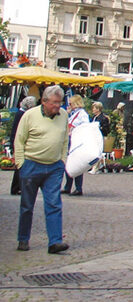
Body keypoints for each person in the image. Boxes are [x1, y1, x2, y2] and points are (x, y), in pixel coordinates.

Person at [15, 85, 70, 253]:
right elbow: (19, 140)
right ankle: (23, 239)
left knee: (54, 204)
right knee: (27, 205)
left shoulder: (63, 115)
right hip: (31, 164)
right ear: (44, 102)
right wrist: (20, 164)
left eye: (59, 103)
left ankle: (55, 241)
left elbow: (65, 139)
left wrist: (62, 160)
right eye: (54, 103)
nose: (57, 106)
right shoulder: (29, 116)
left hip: (54, 167)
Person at [10, 96, 38, 196]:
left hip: (18, 141)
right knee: (20, 167)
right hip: (20, 142)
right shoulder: (22, 114)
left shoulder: (20, 113)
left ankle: (17, 187)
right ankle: (17, 187)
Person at [62, 95, 89, 196]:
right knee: (68, 164)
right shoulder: (73, 113)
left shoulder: (82, 114)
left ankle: (78, 188)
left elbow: (85, 126)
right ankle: (67, 186)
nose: (69, 105)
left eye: (71, 103)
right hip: (70, 140)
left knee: (76, 164)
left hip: (76, 141)